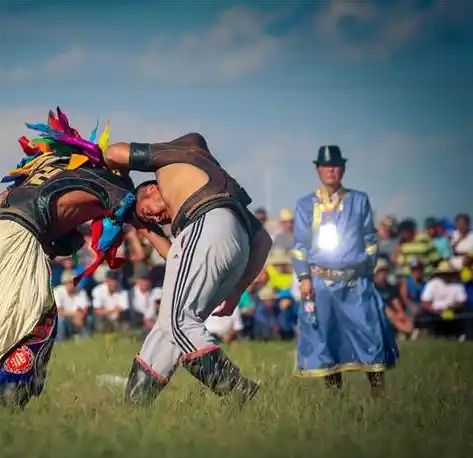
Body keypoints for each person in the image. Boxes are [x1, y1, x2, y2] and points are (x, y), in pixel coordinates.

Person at [0, 108, 167, 409]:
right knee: (35, 320)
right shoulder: (118, 186)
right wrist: (177, 256)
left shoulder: (52, 166)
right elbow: (143, 228)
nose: (160, 214)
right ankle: (9, 399)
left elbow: (61, 230)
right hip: (19, 237)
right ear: (150, 188)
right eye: (161, 205)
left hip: (10, 229)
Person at [103, 132, 273, 406]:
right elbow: (263, 240)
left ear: (150, 189)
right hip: (233, 244)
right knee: (167, 328)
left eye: (149, 212)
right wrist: (237, 289)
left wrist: (116, 186)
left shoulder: (171, 158)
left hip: (207, 223)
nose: (159, 219)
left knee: (178, 321)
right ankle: (134, 407)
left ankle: (240, 393)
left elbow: (113, 153)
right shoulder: (219, 181)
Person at [291, 145, 399, 396]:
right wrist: (304, 277)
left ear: (343, 168)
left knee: (369, 334)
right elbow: (300, 245)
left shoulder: (359, 201)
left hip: (354, 282)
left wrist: (367, 268)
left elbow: (370, 239)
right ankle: (335, 400)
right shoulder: (306, 204)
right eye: (326, 166)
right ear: (318, 169)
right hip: (321, 282)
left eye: (336, 165)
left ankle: (378, 396)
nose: (331, 170)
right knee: (326, 338)